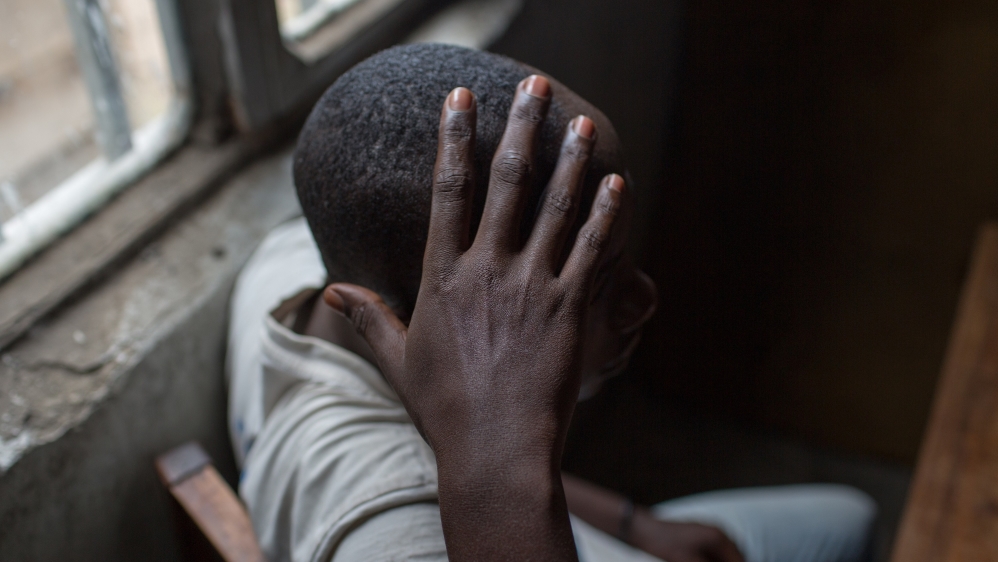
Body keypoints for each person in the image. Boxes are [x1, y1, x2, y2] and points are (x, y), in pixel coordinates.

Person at [227, 43, 876, 562]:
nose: (644, 299)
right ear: (422, 323)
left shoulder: (291, 262)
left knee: (851, 518)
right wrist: (501, 482)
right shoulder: (390, 533)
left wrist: (633, 524)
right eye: (585, 289)